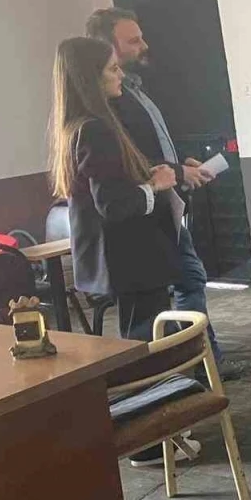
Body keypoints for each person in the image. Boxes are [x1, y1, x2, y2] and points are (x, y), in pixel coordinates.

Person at [49, 36, 200, 466]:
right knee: (143, 347)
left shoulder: (85, 125)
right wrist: (155, 186)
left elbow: (112, 185)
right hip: (128, 257)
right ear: (91, 78)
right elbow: (114, 206)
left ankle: (155, 431)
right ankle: (148, 443)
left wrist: (151, 175)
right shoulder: (94, 128)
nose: (120, 75)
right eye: (112, 69)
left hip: (124, 258)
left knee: (143, 340)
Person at [85, 8, 248, 379]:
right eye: (133, 40)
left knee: (189, 279)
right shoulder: (107, 107)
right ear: (106, 48)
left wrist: (180, 164)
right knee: (174, 290)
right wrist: (174, 172)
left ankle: (200, 359)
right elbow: (130, 164)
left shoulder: (135, 89)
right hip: (143, 216)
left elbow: (151, 147)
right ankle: (197, 363)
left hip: (167, 205)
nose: (144, 45)